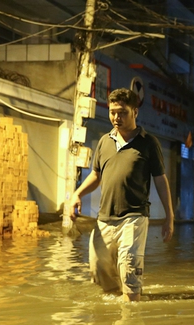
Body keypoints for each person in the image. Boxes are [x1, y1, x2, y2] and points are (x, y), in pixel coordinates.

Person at [68, 88, 174, 302]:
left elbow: (161, 180)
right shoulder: (104, 142)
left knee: (129, 269)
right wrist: (76, 194)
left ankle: (130, 321)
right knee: (99, 270)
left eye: (122, 112)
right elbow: (96, 175)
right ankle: (114, 314)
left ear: (135, 111)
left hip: (134, 216)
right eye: (112, 112)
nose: (116, 117)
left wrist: (169, 217)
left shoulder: (148, 143)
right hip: (105, 218)